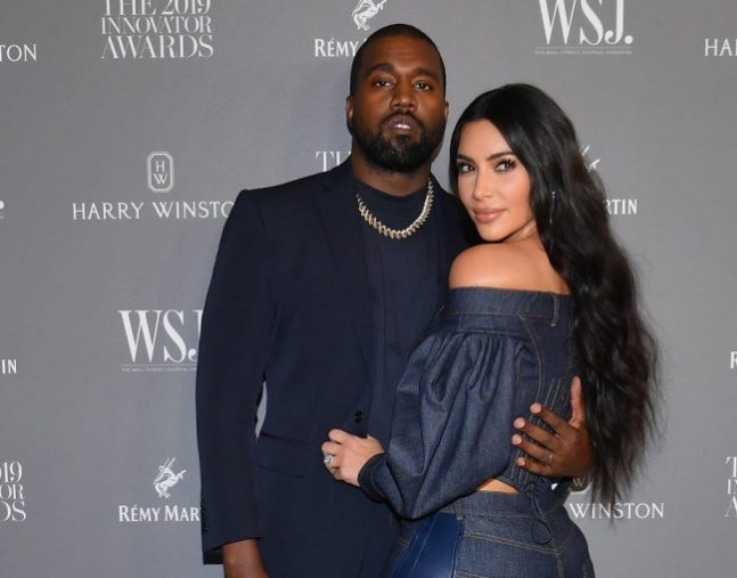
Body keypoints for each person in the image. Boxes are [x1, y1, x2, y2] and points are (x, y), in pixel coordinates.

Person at [196, 26, 592, 578]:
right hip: (300, 535)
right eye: (383, 82)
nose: (404, 97)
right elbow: (224, 400)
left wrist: (578, 458)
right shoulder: (272, 220)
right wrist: (239, 554)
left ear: (444, 112)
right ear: (351, 107)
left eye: (423, 84)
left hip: (441, 544)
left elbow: (539, 387)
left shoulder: (483, 238)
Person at [323, 84, 658, 577]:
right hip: (557, 549)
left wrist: (372, 468)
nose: (479, 190)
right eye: (466, 168)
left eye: (504, 166)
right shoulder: (580, 277)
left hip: (469, 549)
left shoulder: (483, 268)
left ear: (545, 170)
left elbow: (429, 470)